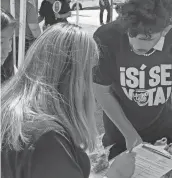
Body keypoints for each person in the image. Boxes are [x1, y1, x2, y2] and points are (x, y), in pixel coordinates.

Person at [93, 0, 172, 177]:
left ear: (166, 29)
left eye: (148, 38)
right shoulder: (106, 36)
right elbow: (101, 90)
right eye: (131, 34)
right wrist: (130, 135)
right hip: (118, 133)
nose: (137, 44)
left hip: (161, 131)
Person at [1, 23, 136, 178]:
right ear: (72, 76)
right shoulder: (49, 139)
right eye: (89, 71)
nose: (91, 81)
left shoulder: (14, 108)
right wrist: (117, 174)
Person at [1, 0, 42, 81]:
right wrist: (40, 42)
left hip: (9, 39)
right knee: (19, 70)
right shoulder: (28, 6)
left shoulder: (1, 0)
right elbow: (34, 29)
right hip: (21, 42)